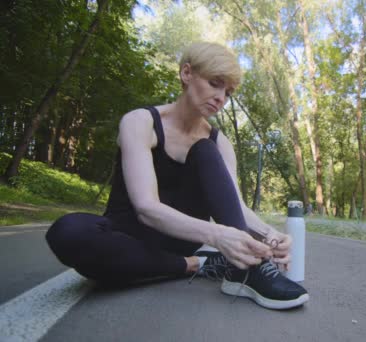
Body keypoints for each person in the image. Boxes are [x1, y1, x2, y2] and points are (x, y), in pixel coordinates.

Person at [45, 42, 309, 310]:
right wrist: (218, 237)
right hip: (128, 236)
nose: (221, 98)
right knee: (68, 232)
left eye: (228, 93)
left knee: (205, 149)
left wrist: (268, 234)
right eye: (215, 83)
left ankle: (247, 270)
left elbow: (236, 206)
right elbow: (146, 208)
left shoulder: (220, 143)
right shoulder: (140, 122)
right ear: (186, 73)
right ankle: (196, 264)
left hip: (181, 240)